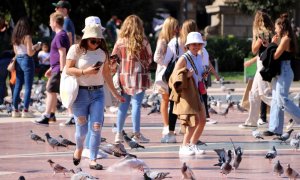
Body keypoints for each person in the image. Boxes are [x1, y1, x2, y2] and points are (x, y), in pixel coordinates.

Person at [66, 22, 124, 170]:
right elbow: (68, 69)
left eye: (99, 41)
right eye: (93, 41)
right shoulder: (76, 50)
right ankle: (79, 149)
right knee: (82, 131)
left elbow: (106, 75)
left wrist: (115, 93)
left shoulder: (102, 53)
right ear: (86, 39)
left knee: (97, 127)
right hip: (80, 94)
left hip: (98, 94)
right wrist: (85, 72)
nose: (96, 43)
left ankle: (93, 159)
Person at [112, 15, 152, 143]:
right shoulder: (143, 41)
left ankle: (118, 133)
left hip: (124, 77)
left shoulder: (120, 41)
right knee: (136, 105)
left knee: (123, 106)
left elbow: (113, 59)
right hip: (139, 77)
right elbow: (150, 58)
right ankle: (136, 133)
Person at [169, 32, 206, 155]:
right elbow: (174, 77)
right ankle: (184, 146)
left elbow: (198, 74)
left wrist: (203, 75)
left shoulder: (199, 57)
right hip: (188, 93)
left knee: (202, 120)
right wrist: (186, 75)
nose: (196, 46)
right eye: (193, 44)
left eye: (198, 44)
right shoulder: (183, 58)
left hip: (198, 92)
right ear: (188, 45)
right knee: (194, 120)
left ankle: (193, 144)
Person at [263, 13, 300, 136]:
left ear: (281, 26)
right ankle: (275, 129)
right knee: (276, 100)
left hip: (285, 71)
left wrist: (272, 44)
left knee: (282, 99)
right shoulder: (284, 39)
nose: (275, 30)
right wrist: (271, 45)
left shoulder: (286, 39)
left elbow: (275, 55)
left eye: (276, 27)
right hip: (280, 71)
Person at [161, 19, 198, 143]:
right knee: (189, 104)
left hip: (178, 78)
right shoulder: (198, 43)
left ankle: (171, 133)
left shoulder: (175, 42)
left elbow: (166, 61)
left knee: (174, 103)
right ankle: (188, 132)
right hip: (193, 78)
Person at [239, 9, 273, 128]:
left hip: (262, 66)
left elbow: (254, 50)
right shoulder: (270, 33)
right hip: (263, 64)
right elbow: (262, 54)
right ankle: (251, 121)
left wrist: (256, 39)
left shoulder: (261, 34)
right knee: (254, 93)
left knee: (264, 94)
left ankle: (293, 116)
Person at [35, 12, 70, 125]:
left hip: (59, 68)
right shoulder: (60, 35)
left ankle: (47, 115)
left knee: (51, 90)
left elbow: (62, 53)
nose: (49, 24)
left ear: (55, 22)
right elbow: (56, 54)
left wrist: (62, 70)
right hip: (56, 67)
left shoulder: (60, 35)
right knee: (52, 90)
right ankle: (51, 115)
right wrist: (51, 67)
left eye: (50, 22)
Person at [153, 16, 179, 142]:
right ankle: (166, 125)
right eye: (175, 26)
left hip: (172, 75)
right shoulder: (163, 40)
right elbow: (156, 57)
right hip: (163, 76)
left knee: (172, 99)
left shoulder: (175, 40)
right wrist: (167, 64)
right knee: (165, 100)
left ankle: (171, 125)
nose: (177, 29)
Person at [11, 17, 41, 118]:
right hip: (27, 60)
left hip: (18, 60)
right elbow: (30, 53)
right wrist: (36, 48)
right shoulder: (27, 37)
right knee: (28, 86)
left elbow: (16, 52)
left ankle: (15, 110)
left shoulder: (15, 37)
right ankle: (25, 110)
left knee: (18, 85)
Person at [53, 0, 76, 125]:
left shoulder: (66, 22)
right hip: (67, 60)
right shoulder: (68, 22)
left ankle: (72, 115)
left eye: (58, 7)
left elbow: (69, 41)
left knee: (66, 89)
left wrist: (65, 64)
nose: (56, 9)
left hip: (66, 60)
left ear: (65, 10)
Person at [199, 37, 220, 124]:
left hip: (204, 73)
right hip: (201, 73)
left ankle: (206, 114)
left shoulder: (204, 50)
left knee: (204, 94)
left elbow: (209, 63)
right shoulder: (200, 50)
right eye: (203, 38)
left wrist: (216, 75)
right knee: (202, 94)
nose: (205, 40)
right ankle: (204, 114)